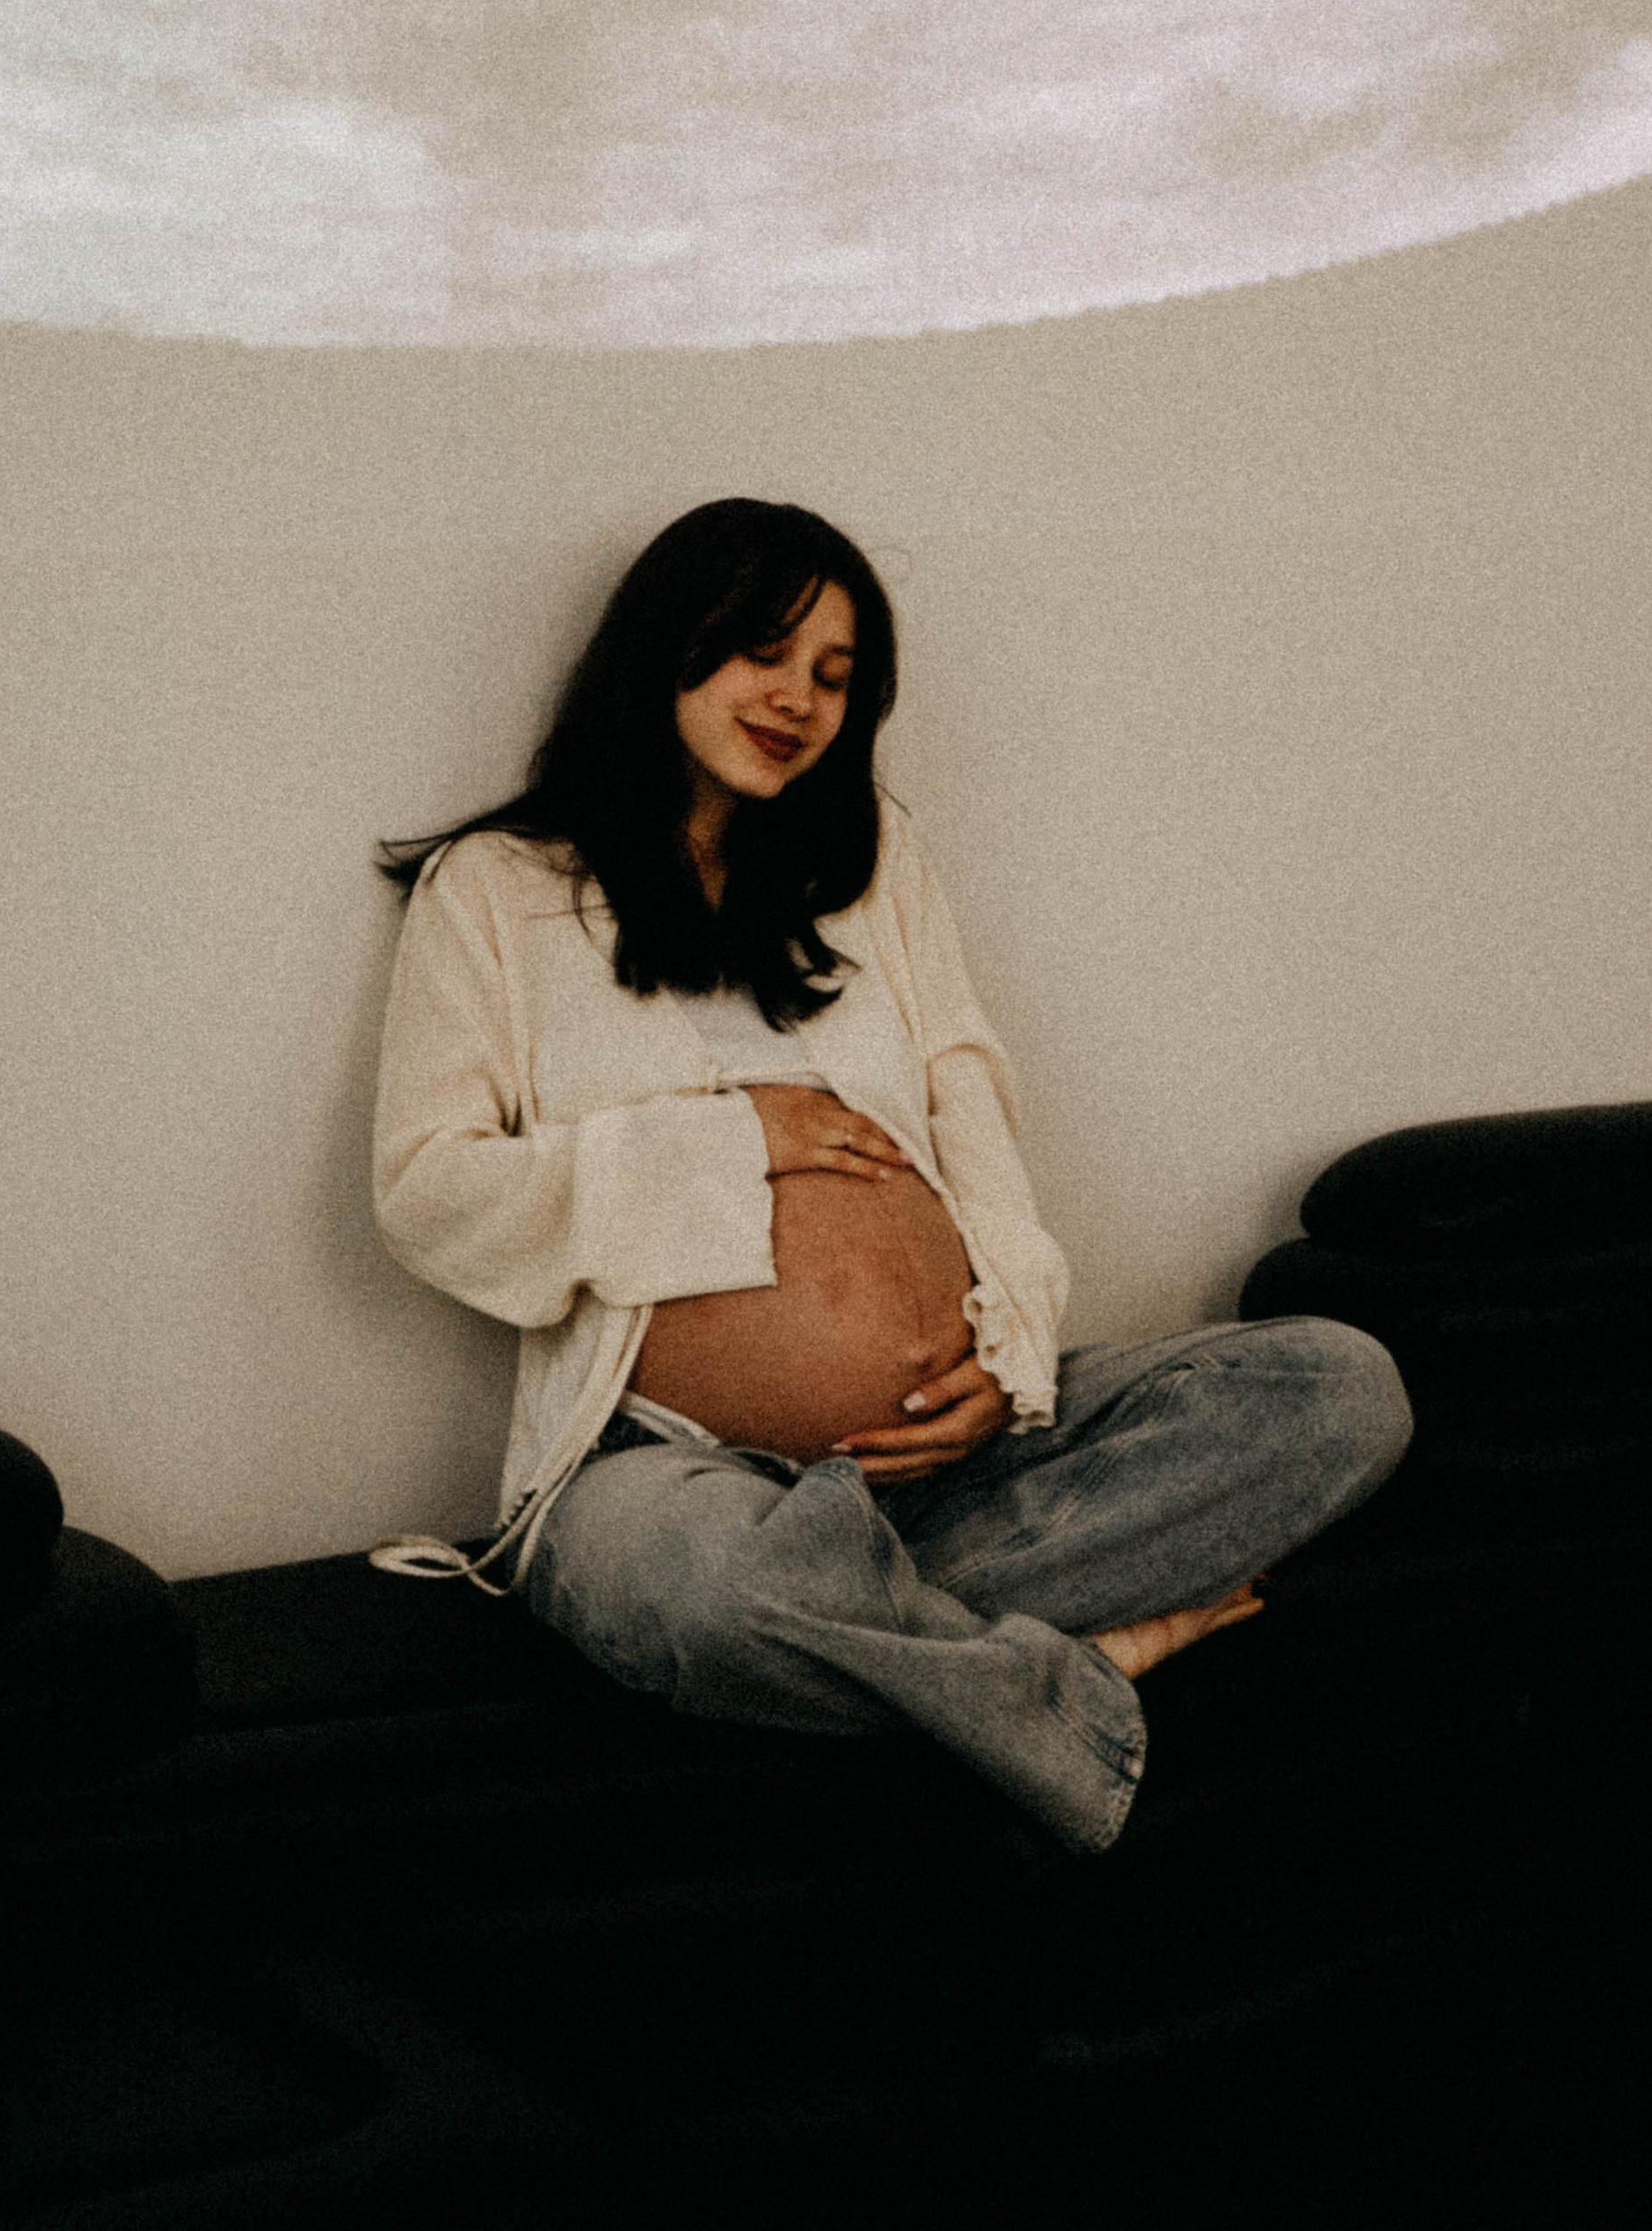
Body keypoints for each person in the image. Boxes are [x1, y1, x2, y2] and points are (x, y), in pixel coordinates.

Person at [367, 498, 1410, 1855]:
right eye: (765, 653)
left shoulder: (869, 865)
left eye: (835, 676)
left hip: (949, 1469)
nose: (798, 699)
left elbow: (972, 1111)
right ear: (666, 647)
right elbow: (430, 1194)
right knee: (713, 1596)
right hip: (664, 1476)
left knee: (1340, 1387)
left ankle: (882, 1628)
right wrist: (738, 1134)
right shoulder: (496, 889)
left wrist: (1012, 1355)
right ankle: (1072, 1678)